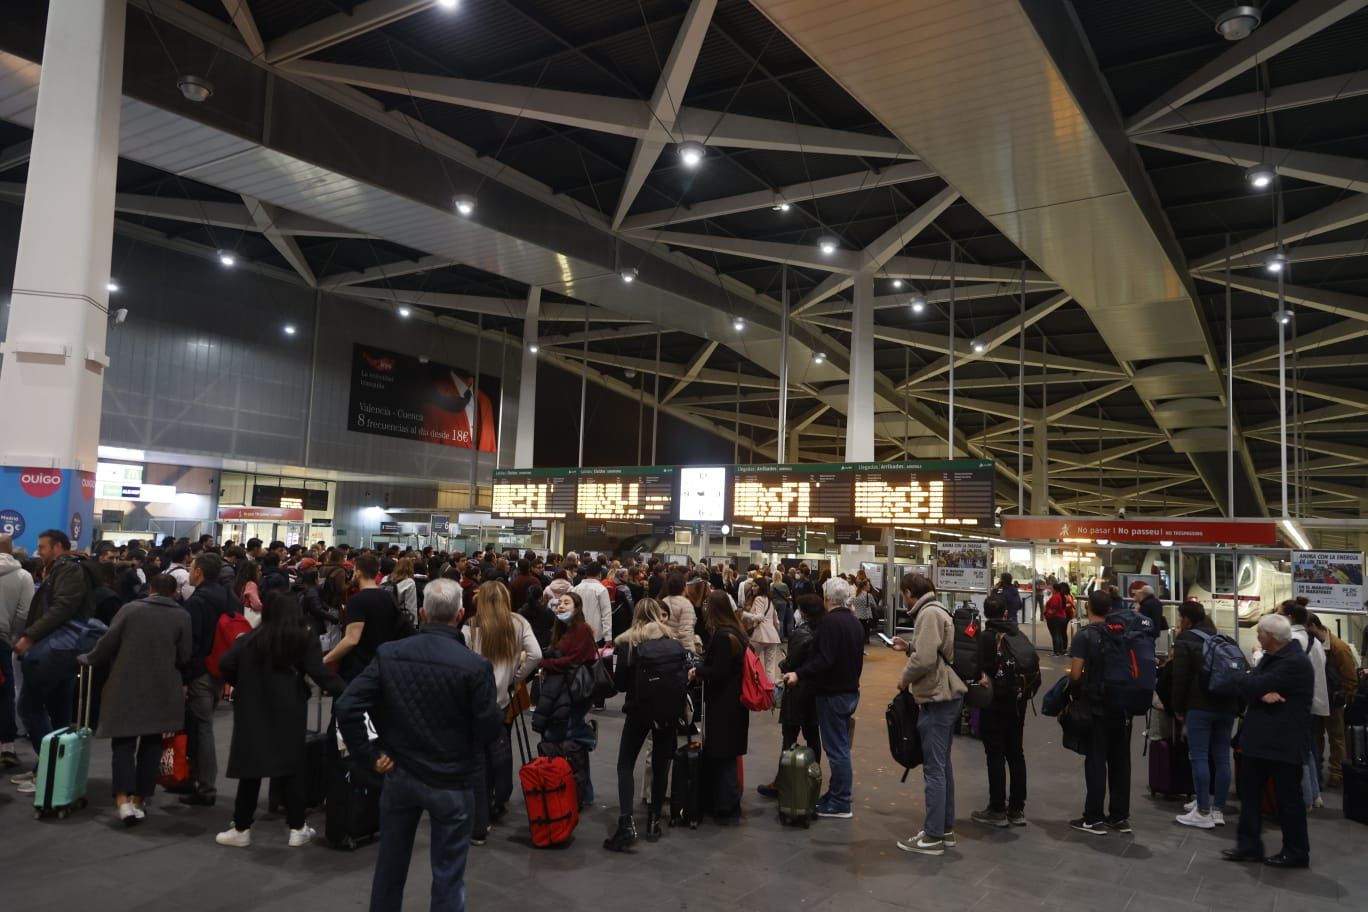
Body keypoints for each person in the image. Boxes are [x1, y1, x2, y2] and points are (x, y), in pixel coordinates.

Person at [335, 578, 503, 912]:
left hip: (400, 774)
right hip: (452, 781)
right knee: (448, 874)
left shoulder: (390, 654)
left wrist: (369, 752)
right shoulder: (475, 666)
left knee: (389, 868)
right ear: (461, 614)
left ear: (423, 613)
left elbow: (346, 705)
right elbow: (489, 727)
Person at [214, 591, 345, 847]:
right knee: (292, 766)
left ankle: (241, 827)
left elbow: (225, 664)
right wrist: (351, 692)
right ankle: (297, 828)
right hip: (290, 707)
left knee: (250, 768)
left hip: (252, 708)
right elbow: (320, 673)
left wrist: (243, 683)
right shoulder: (304, 638)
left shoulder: (250, 639)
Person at [78, 573, 191, 824]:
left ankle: (122, 801)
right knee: (152, 744)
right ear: (174, 592)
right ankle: (140, 799)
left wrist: (89, 658)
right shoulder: (182, 616)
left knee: (123, 743)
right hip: (163, 687)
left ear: (150, 589)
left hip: (126, 684)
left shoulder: (130, 610)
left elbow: (108, 642)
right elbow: (185, 655)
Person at [1223, 613, 1314, 868]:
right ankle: (1249, 845)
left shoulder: (1293, 663)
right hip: (1260, 741)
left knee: (1289, 801)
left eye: (1261, 632)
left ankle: (1296, 851)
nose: (1258, 636)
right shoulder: (1274, 658)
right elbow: (1253, 683)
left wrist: (1253, 685)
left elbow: (1248, 680)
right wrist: (1259, 691)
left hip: (1284, 743)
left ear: (1272, 637)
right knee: (1249, 796)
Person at [11, 529, 96, 794]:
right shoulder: (65, 568)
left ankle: (50, 767)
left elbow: (62, 607)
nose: (39, 552)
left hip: (56, 651)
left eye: (43, 547)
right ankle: (50, 771)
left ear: (58, 547)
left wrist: (29, 636)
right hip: (61, 650)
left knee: (29, 707)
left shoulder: (69, 569)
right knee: (59, 712)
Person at [889, 573, 966, 853]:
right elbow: (929, 650)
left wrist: (904, 679)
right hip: (944, 695)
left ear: (909, 592)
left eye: (903, 594)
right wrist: (907, 646)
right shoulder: (936, 610)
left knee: (934, 769)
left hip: (937, 696)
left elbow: (925, 659)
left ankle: (933, 836)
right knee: (942, 765)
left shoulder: (928, 613)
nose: (903, 599)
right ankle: (944, 829)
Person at [605, 597, 687, 850]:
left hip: (638, 710)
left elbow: (619, 684)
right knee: (662, 764)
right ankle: (653, 820)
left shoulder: (629, 642)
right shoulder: (673, 643)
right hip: (667, 712)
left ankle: (626, 822)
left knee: (625, 764)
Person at [464, 580, 541, 844]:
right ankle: (501, 797)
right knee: (502, 749)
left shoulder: (471, 627)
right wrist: (515, 678)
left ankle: (480, 819)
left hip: (475, 703)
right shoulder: (519, 623)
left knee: (478, 760)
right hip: (503, 699)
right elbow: (536, 655)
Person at [784, 576, 865, 820]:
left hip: (833, 692)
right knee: (840, 746)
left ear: (827, 597)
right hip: (850, 690)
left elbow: (824, 660)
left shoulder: (830, 623)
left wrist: (799, 673)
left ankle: (841, 801)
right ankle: (836, 794)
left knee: (837, 749)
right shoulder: (854, 622)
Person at [1068, 590, 1134, 836]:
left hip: (1097, 706)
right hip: (1122, 706)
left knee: (1096, 760)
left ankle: (1093, 817)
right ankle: (1119, 816)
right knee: (1120, 762)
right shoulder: (1121, 633)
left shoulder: (1085, 636)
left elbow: (1075, 674)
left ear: (1088, 608)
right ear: (1109, 610)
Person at [1168, 599, 1239, 828]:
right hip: (1227, 706)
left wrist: (1177, 708)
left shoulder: (1185, 641)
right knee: (1221, 757)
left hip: (1200, 706)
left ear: (1186, 620)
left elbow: (1179, 679)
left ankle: (1202, 810)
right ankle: (1217, 809)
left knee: (1198, 756)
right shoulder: (1225, 639)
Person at [180, 553, 238, 806]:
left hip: (201, 672)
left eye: (191, 568)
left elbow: (191, 643)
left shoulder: (198, 601)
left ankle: (205, 787)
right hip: (220, 670)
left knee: (201, 728)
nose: (189, 572)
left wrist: (185, 677)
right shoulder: (229, 597)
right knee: (200, 725)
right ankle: (195, 779)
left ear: (200, 571)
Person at [970, 594, 1030, 828]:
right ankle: (1017, 809)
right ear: (1006, 613)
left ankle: (997, 809)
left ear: (986, 614)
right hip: (1017, 703)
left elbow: (977, 668)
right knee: (1016, 753)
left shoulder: (985, 637)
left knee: (995, 754)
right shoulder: (1018, 634)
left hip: (994, 702)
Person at [759, 594, 823, 799]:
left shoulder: (801, 634)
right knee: (813, 736)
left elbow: (791, 663)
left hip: (797, 691)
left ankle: (783, 782)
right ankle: (812, 778)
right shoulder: (824, 630)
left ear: (803, 612)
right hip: (815, 691)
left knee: (789, 737)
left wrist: (783, 666)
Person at [693, 590, 749, 824]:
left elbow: (719, 672)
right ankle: (727, 802)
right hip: (735, 703)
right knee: (728, 753)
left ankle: (725, 806)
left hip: (723, 704)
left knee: (722, 754)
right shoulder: (737, 632)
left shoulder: (722, 636)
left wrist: (699, 670)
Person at [537, 591, 599, 802]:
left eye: (567, 603)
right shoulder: (560, 630)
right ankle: (582, 790)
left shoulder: (581, 630)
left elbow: (570, 661)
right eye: (560, 603)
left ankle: (581, 791)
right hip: (563, 691)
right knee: (570, 735)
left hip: (576, 691)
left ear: (577, 608)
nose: (561, 606)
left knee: (571, 734)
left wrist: (544, 663)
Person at [1278, 600, 1327, 810]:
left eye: (1279, 615)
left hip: (1297, 702)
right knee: (1307, 749)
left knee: (1298, 751)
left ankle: (1305, 799)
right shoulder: (1314, 641)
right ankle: (1315, 794)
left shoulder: (1293, 640)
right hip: (1313, 701)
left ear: (1289, 618)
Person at [325, 553, 399, 682]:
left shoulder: (357, 601)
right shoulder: (388, 597)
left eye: (354, 570)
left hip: (360, 667)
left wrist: (326, 659)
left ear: (358, 572)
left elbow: (352, 639)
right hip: (383, 663)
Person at [1306, 613, 1355, 790]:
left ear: (1311, 626)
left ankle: (1337, 773)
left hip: (1334, 700)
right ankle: (1317, 770)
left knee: (1336, 738)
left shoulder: (1339, 648)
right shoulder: (1315, 644)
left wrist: (1344, 698)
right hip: (1319, 697)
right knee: (1316, 735)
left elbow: (1350, 678)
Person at [0, 534, 34, 769]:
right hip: (1, 641)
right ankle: (7, 747)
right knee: (4, 694)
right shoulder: (23, 576)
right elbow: (24, 613)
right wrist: (11, 637)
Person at [741, 577, 781, 685]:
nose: (753, 588)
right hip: (772, 636)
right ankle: (770, 694)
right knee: (770, 667)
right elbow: (776, 621)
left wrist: (744, 615)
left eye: (755, 586)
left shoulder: (758, 599)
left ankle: (754, 689)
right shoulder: (769, 600)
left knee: (752, 663)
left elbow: (759, 617)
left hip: (759, 635)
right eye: (752, 585)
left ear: (761, 587)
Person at [572, 562, 613, 646]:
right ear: (599, 574)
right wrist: (608, 637)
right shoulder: (601, 589)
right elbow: (606, 614)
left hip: (577, 633)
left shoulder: (575, 589)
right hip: (596, 635)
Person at [1044, 581, 1073, 656]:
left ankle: (1057, 651)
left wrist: (1048, 614)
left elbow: (1054, 608)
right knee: (1060, 634)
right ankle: (1060, 650)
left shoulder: (1056, 597)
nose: (1051, 590)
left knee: (1056, 635)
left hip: (1056, 618)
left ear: (1055, 589)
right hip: (1061, 617)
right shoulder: (1061, 596)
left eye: (1052, 589)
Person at [388, 557, 419, 625]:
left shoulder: (386, 579)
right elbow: (411, 605)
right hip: (399, 619)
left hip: (385, 615)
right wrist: (414, 624)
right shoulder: (409, 582)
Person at [233, 560, 263, 626]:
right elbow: (256, 605)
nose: (261, 573)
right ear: (251, 573)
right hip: (250, 619)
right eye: (258, 571)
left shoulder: (238, 584)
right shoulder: (251, 584)